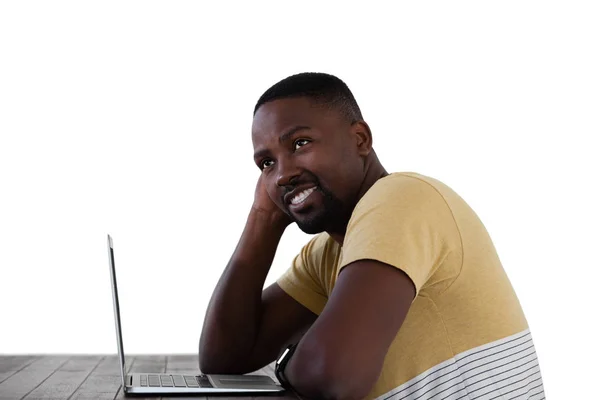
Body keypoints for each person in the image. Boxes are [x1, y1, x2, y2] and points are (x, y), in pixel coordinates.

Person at [199, 72, 545, 400]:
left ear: (360, 139)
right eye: (266, 164)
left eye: (300, 143)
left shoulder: (402, 198)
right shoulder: (328, 251)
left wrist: (286, 366)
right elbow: (225, 359)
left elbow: (334, 375)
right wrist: (262, 219)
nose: (282, 174)